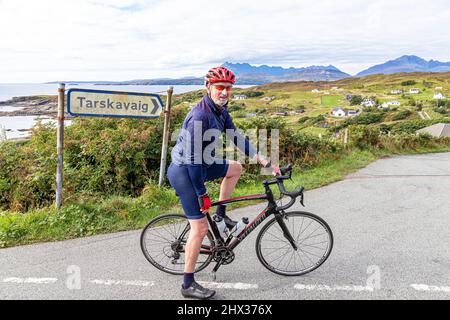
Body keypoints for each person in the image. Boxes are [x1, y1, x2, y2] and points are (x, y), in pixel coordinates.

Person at [167, 66, 280, 300]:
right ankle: (187, 284)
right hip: (185, 171)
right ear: (208, 87)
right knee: (199, 228)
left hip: (202, 164)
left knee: (235, 168)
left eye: (228, 88)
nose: (225, 92)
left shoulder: (220, 110)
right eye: (220, 87)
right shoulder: (200, 116)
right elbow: (191, 162)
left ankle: (221, 215)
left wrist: (263, 160)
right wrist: (201, 193)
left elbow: (236, 136)